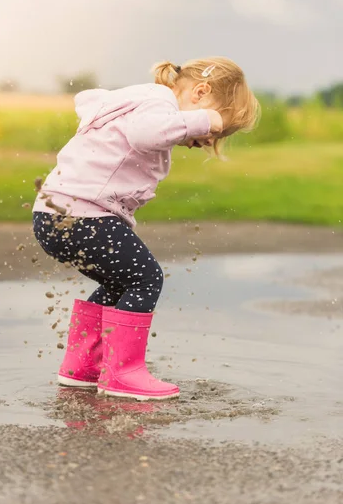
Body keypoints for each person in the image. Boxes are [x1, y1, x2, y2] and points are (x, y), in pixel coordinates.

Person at [32, 57, 260, 401]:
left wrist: (201, 120)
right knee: (145, 277)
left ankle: (82, 366)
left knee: (119, 281)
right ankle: (122, 374)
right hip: (83, 214)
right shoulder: (158, 102)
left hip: (55, 215)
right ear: (200, 92)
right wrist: (205, 118)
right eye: (213, 129)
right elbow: (146, 134)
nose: (204, 137)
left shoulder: (140, 102)